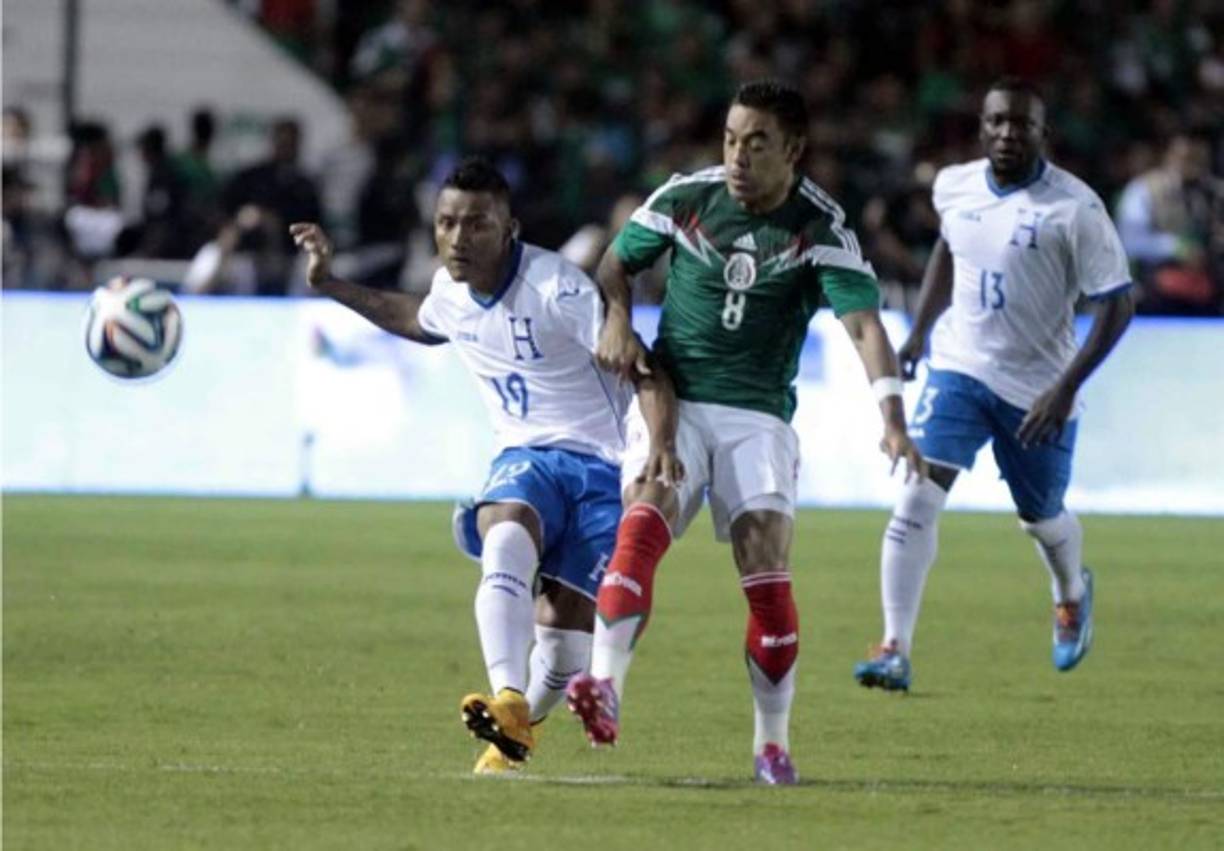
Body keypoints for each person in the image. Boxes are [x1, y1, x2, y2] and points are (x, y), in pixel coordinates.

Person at [564, 79, 925, 785]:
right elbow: (616, 261)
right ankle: (604, 684)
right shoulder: (686, 197)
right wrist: (616, 316)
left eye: (756, 142)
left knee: (766, 575)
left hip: (758, 417)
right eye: (731, 139)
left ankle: (771, 742)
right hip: (674, 399)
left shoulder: (821, 227)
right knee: (641, 520)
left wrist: (891, 418)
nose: (737, 155)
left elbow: (863, 326)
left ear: (792, 149)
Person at [289, 157, 681, 774]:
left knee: (561, 637)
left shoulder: (557, 288)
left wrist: (659, 443)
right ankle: (505, 695)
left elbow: (642, 364)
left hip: (606, 465)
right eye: (446, 223)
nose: (457, 238)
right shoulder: (451, 293)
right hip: (526, 456)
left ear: (510, 228)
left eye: (476, 224)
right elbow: (416, 319)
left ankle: (520, 726)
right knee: (505, 527)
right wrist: (330, 283)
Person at [853, 78, 1135, 693]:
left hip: (1038, 388)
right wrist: (922, 332)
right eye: (999, 122)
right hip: (961, 367)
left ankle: (1070, 593)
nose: (1009, 133)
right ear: (983, 128)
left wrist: (1065, 388)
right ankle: (893, 647)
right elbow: (950, 250)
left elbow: (1119, 302)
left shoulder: (1075, 208)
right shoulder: (954, 185)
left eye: (1023, 125)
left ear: (1043, 134)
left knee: (1040, 516)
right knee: (917, 495)